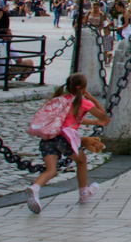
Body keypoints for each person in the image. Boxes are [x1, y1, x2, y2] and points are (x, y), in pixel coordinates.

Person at [26, 73, 108, 213]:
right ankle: (83, 194)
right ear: (83, 88)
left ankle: (35, 188)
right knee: (82, 161)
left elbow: (73, 119)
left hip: (48, 137)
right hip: (64, 139)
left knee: (51, 170)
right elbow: (103, 115)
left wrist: (94, 122)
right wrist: (92, 99)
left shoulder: (60, 99)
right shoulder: (83, 101)